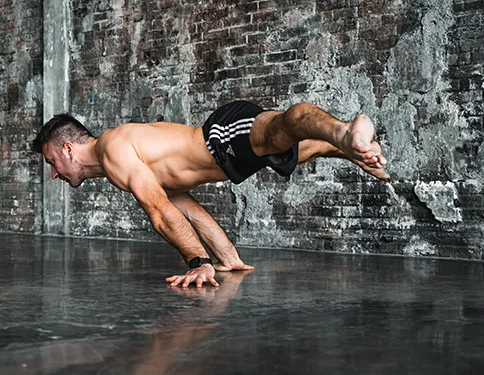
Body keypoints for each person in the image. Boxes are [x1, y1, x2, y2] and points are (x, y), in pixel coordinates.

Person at [31, 100, 389, 288]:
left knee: (283, 128)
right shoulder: (120, 165)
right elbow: (186, 208)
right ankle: (350, 148)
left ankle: (346, 131)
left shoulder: (113, 148)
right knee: (304, 149)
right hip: (230, 161)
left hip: (219, 136)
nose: (54, 173)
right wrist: (226, 257)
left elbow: (159, 212)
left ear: (66, 148)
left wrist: (198, 264)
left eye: (52, 162)